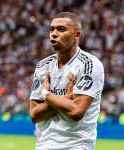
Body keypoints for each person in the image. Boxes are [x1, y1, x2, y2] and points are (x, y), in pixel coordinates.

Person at [29, 12, 104, 150]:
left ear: (77, 35)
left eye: (61, 29)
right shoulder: (42, 66)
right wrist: (65, 99)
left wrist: (45, 94)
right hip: (44, 145)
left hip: (76, 145)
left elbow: (76, 112)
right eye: (52, 29)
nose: (54, 33)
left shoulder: (89, 65)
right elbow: (34, 115)